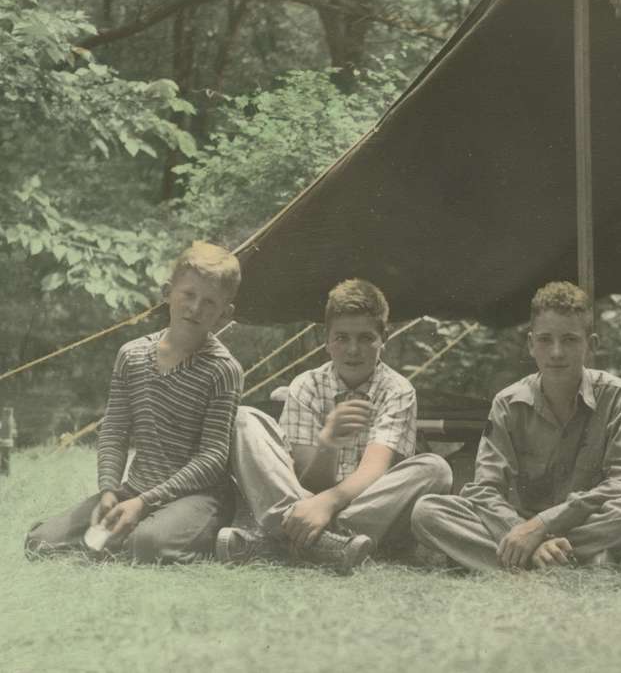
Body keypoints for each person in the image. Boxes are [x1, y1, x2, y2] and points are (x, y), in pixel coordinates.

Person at [411, 282, 621, 571]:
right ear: (531, 344)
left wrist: (544, 525)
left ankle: (518, 560)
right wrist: (522, 530)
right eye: (545, 340)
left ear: (591, 344)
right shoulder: (508, 402)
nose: (556, 352)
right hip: (521, 523)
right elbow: (485, 490)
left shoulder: (617, 395)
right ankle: (569, 561)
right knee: (428, 511)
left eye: (569, 340)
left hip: (584, 520)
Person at [25, 242, 244, 563]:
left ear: (225, 313)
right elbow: (114, 431)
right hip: (136, 488)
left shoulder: (223, 369)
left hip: (199, 496)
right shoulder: (132, 355)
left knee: (146, 545)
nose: (195, 308)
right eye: (188, 294)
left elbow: (212, 457)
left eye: (209, 302)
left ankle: (221, 537)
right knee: (39, 542)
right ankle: (119, 532)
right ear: (167, 293)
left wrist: (144, 504)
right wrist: (109, 491)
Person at [218, 279, 451, 570]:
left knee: (435, 469)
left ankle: (281, 542)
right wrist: (328, 444)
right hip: (307, 502)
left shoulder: (397, 390)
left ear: (384, 338)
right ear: (326, 340)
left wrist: (326, 505)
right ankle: (330, 544)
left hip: (364, 505)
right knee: (243, 419)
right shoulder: (307, 385)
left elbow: (375, 470)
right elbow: (305, 482)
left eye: (366, 338)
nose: (353, 349)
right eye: (342, 338)